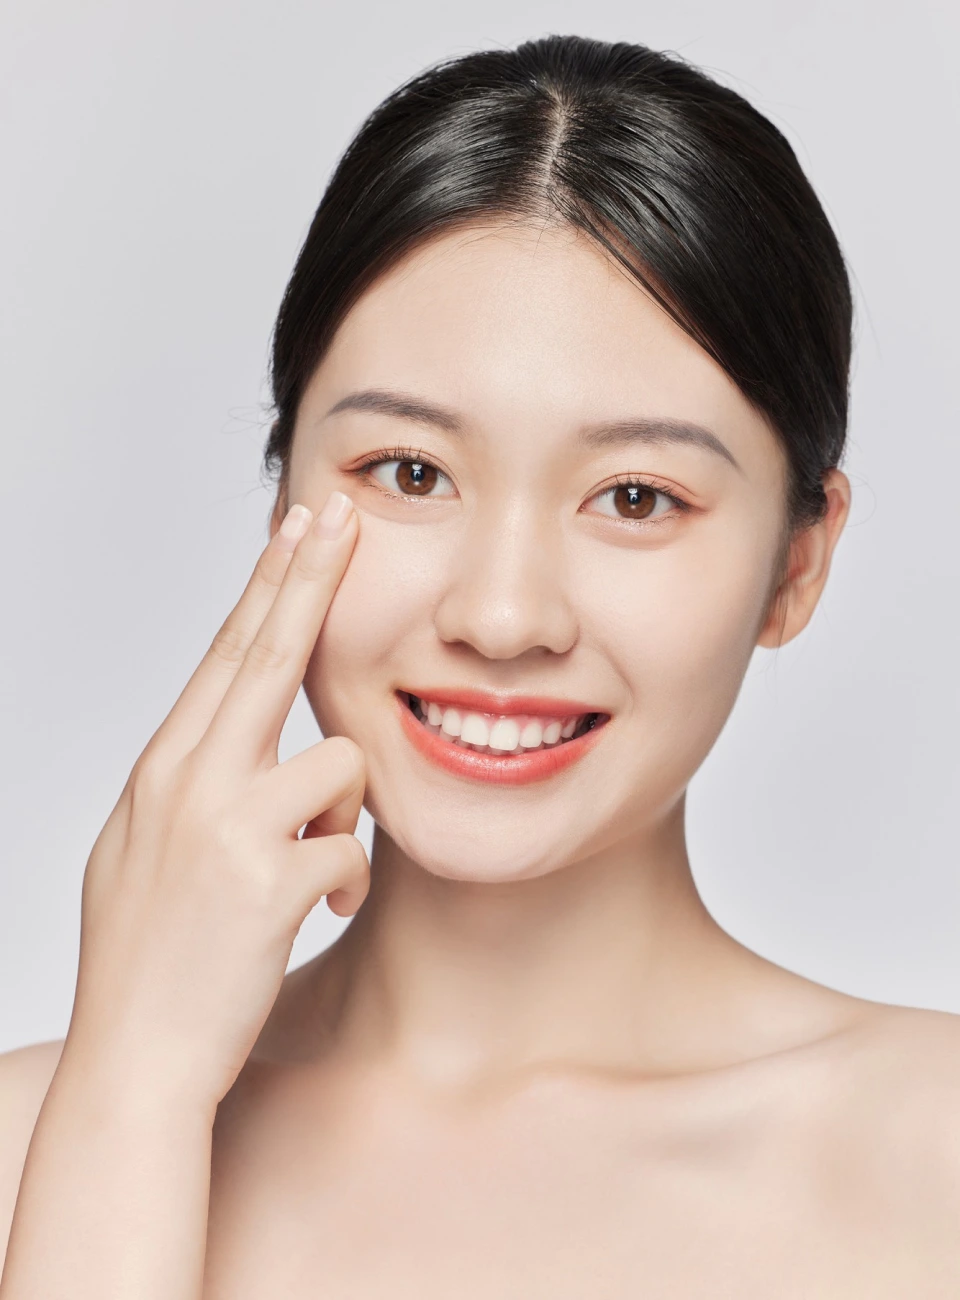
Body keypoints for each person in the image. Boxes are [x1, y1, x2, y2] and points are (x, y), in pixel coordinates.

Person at [1, 33, 957, 1298]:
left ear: (798, 562)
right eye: (411, 473)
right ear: (283, 490)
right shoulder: (46, 1136)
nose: (504, 617)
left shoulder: (930, 1156)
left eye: (634, 495)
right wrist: (129, 1095)